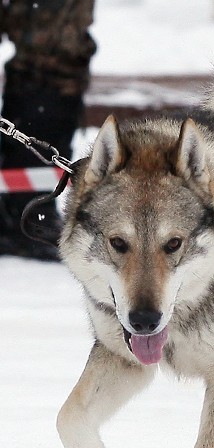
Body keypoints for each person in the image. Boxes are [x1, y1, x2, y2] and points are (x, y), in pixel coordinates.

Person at [0, 0, 96, 260]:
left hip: (53, 81)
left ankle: (29, 213)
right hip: (40, 78)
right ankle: (25, 217)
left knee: (47, 145)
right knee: (32, 146)